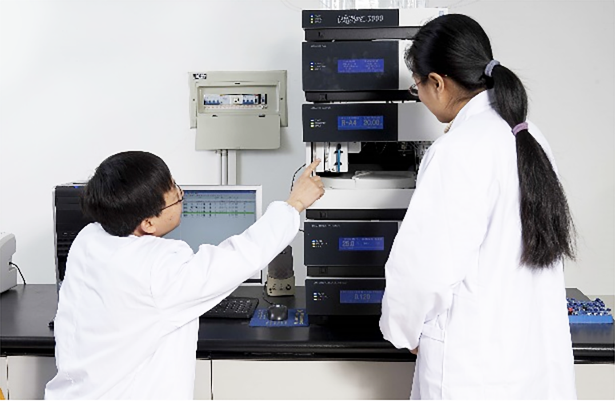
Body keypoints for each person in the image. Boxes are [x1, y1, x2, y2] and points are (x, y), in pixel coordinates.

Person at [379, 14, 577, 399]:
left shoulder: (458, 149)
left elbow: (423, 274)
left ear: (437, 83)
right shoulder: (528, 135)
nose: (421, 96)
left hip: (472, 374)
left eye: (418, 87)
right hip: (532, 366)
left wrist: (403, 331)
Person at [45, 151, 324, 399]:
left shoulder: (89, 238)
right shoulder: (158, 268)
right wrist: (295, 203)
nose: (181, 196)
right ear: (148, 222)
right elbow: (240, 256)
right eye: (175, 195)